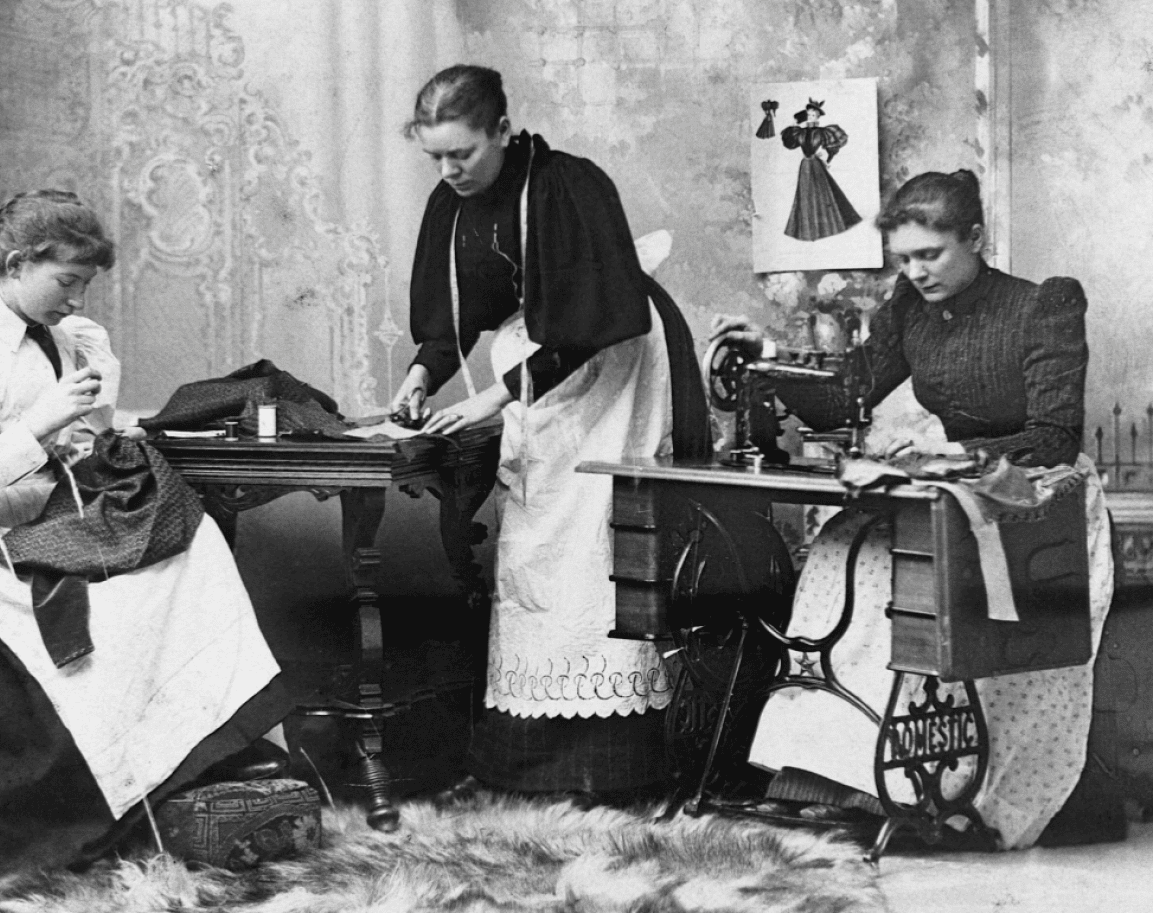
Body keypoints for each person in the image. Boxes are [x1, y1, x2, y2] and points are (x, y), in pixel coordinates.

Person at [0, 190, 293, 899]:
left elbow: (86, 441)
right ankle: (124, 795)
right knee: (125, 601)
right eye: (66, 280)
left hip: (59, 512)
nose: (75, 296)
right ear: (16, 263)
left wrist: (96, 432)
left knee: (193, 546)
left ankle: (198, 767)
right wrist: (40, 424)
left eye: (83, 283)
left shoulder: (73, 336)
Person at [712, 169, 1115, 849]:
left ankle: (955, 794)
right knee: (843, 553)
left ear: (976, 238)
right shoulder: (910, 307)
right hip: (944, 490)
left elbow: (1053, 437)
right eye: (905, 258)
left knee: (930, 598)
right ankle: (841, 779)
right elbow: (849, 396)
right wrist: (769, 357)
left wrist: (939, 456)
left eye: (931, 255)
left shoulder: (1043, 305)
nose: (917, 271)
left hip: (1034, 499)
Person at [392, 65, 710, 799]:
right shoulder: (453, 204)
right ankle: (532, 758)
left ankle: (616, 761)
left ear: (502, 131)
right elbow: (450, 316)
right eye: (435, 157)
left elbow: (600, 321)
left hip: (617, 364)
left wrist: (493, 402)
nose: (449, 172)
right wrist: (422, 373)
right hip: (541, 374)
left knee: (593, 538)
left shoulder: (570, 186)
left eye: (463, 153)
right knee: (534, 535)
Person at [780, 99, 861, 242]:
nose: (810, 117)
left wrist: (828, 159)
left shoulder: (824, 132)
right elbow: (789, 141)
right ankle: (806, 228)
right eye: (808, 114)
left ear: (818, 117)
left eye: (813, 115)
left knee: (823, 192)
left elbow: (833, 147)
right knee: (805, 194)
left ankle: (829, 225)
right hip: (805, 165)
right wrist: (795, 121)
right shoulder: (799, 131)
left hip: (816, 165)